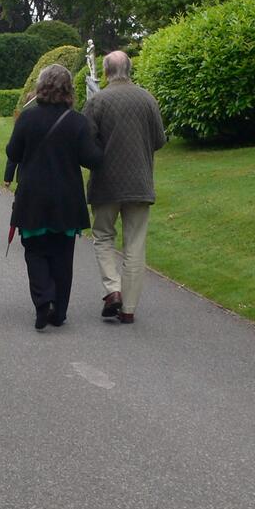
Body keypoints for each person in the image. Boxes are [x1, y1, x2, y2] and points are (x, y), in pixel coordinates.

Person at [4, 64, 102, 330]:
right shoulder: (77, 121)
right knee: (62, 255)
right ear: (68, 89)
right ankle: (58, 310)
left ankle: (42, 301)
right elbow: (92, 159)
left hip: (33, 197)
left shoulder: (27, 118)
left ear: (41, 87)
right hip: (65, 199)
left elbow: (13, 152)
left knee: (34, 252)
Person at [83, 51, 166, 324]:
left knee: (103, 236)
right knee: (135, 243)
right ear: (129, 69)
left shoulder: (97, 101)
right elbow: (159, 140)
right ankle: (128, 308)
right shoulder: (147, 99)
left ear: (106, 72)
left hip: (106, 183)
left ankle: (112, 290)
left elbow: (86, 144)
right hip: (139, 182)